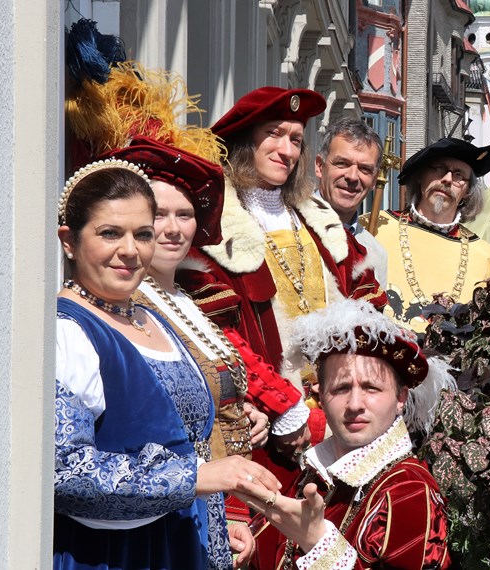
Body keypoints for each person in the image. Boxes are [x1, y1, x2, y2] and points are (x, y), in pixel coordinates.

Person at [54, 158, 279, 570]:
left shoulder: (150, 316)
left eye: (142, 234)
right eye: (109, 233)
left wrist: (216, 512)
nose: (130, 250)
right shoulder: (67, 332)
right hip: (115, 555)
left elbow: (181, 433)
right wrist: (196, 479)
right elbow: (66, 474)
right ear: (69, 240)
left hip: (182, 542)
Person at [195, 86, 386, 568]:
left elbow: (366, 304)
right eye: (273, 135)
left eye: (296, 139)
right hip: (264, 427)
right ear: (243, 141)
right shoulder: (217, 225)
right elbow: (215, 334)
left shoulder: (318, 219)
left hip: (338, 421)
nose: (285, 149)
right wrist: (281, 405)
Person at [233, 299, 453, 569]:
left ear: (400, 398)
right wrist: (249, 541)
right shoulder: (313, 474)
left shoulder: (408, 490)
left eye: (371, 388)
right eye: (341, 389)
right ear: (321, 397)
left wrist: (317, 543)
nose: (355, 404)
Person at [373, 138, 490, 331]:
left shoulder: (485, 256)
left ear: (468, 192)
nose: (447, 179)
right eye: (438, 168)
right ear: (420, 176)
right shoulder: (375, 227)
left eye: (459, 175)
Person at [314, 117, 388, 287]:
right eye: (342, 163)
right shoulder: (287, 223)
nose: (352, 176)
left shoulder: (375, 254)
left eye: (364, 169)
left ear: (374, 180)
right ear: (319, 166)